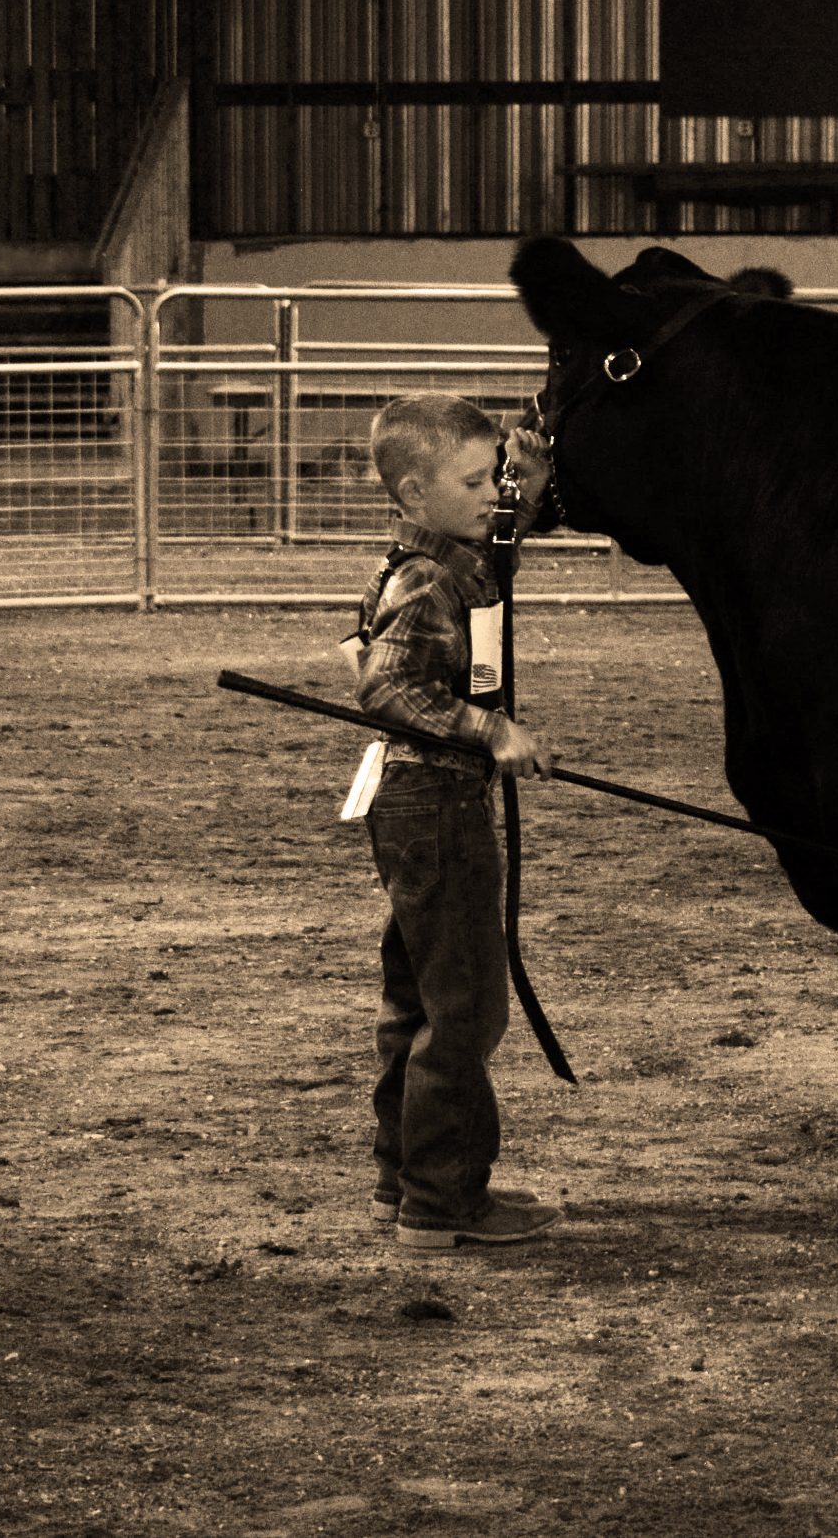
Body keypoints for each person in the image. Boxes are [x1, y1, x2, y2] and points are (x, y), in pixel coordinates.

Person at [348, 393, 564, 1251]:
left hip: (416, 804)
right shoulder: (429, 578)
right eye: (475, 481)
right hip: (435, 804)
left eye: (495, 478)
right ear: (411, 494)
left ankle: (402, 1178)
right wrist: (492, 729)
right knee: (465, 1008)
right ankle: (444, 1201)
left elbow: (498, 555)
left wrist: (532, 483)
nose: (491, 495)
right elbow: (386, 688)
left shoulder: (447, 555)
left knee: (421, 997)